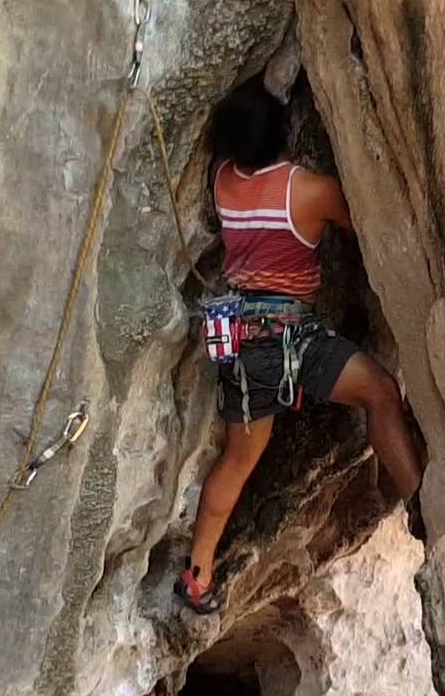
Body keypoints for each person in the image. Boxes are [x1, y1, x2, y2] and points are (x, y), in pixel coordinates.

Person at [175, 81, 423, 614]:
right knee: (380, 391)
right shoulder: (307, 191)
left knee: (237, 462)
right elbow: (366, 226)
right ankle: (421, 507)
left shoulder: (222, 179)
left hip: (239, 341)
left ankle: (196, 578)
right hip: (294, 339)